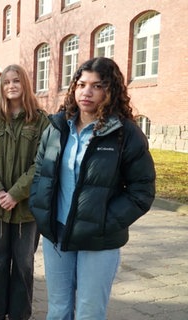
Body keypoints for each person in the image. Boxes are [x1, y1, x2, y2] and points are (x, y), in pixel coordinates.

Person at [29, 57, 156, 319]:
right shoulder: (56, 127)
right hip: (57, 233)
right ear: (73, 87)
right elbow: (40, 171)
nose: (87, 92)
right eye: (81, 84)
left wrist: (104, 222)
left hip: (99, 239)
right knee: (58, 310)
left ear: (111, 91)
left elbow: (142, 191)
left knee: (89, 312)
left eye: (97, 86)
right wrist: (39, 208)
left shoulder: (125, 134)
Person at [0, 64, 50, 320]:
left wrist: (17, 193)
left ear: (25, 84)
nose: (11, 86)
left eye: (16, 81)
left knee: (23, 263)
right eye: (6, 82)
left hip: (26, 209)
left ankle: (19, 314)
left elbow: (43, 163)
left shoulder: (40, 120)